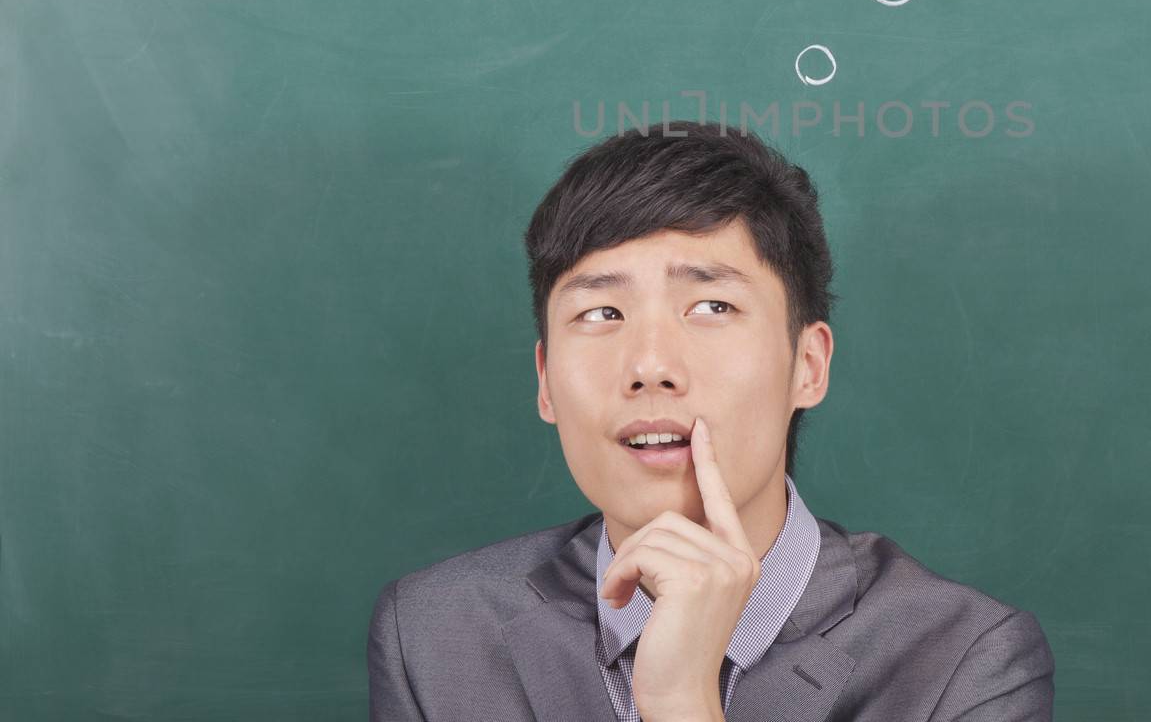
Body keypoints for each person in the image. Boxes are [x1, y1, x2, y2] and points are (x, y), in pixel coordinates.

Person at [367, 119, 1054, 721]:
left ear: (807, 365)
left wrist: (682, 703)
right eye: (602, 313)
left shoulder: (966, 664)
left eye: (711, 307)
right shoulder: (434, 636)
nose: (651, 364)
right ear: (545, 381)